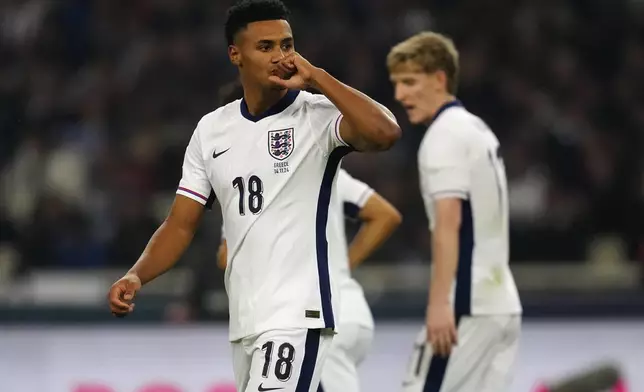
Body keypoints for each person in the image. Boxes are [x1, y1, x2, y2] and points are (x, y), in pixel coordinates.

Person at [107, 1, 401, 391]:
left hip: (298, 315)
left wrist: (319, 78)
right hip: (246, 319)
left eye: (287, 44)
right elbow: (180, 225)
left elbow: (386, 133)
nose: (280, 56)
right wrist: (137, 274)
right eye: (265, 47)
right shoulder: (212, 130)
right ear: (235, 54)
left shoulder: (316, 115)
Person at [387, 31, 522, 392]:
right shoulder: (478, 130)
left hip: (467, 306)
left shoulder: (443, 136)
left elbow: (449, 222)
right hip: (503, 306)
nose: (400, 95)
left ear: (440, 79)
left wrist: (439, 304)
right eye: (396, 85)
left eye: (410, 82)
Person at [219, 167, 402, 392]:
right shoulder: (324, 165)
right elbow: (384, 215)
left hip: (311, 318)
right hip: (352, 313)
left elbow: (227, 256)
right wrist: (340, 267)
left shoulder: (253, 179)